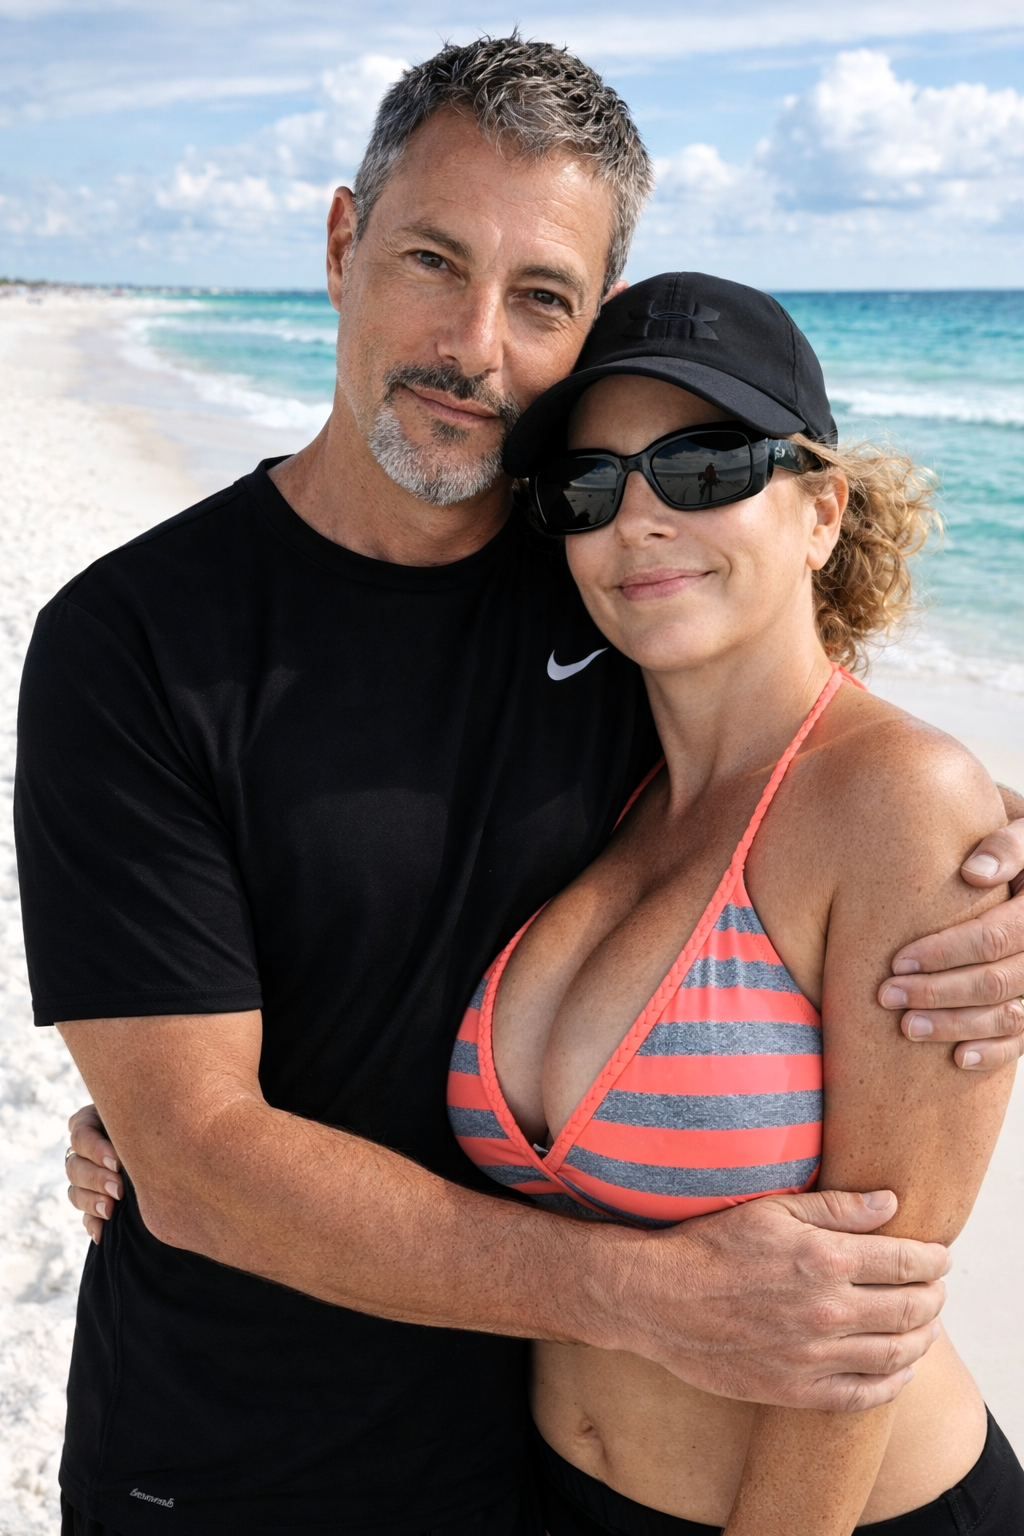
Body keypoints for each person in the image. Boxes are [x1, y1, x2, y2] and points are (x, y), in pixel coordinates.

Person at [24, 35, 1024, 1536]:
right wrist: (156, 1136)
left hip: (525, 1464)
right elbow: (207, 1162)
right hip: (232, 1448)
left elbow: (812, 749)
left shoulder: (609, 589)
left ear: (592, 322)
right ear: (344, 243)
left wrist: (984, 862)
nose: (475, 343)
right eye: (434, 260)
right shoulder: (134, 645)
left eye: (541, 296)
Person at [448, 270, 1024, 1533]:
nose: (638, 520)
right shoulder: (600, 793)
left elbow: (867, 1328)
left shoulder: (901, 804)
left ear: (821, 511)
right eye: (588, 489)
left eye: (703, 466)